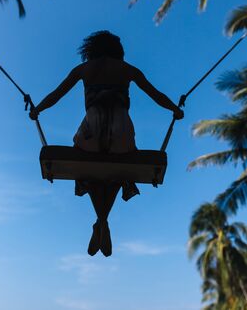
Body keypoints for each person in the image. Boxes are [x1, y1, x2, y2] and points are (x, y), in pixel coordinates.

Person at [29, 31, 184, 257]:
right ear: (117, 50)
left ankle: (100, 222)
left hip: (91, 132)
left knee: (89, 168)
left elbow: (56, 94)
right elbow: (156, 94)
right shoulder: (128, 70)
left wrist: (37, 109)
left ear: (91, 49)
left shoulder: (83, 69)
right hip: (121, 134)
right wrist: (175, 109)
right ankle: (103, 222)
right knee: (117, 171)